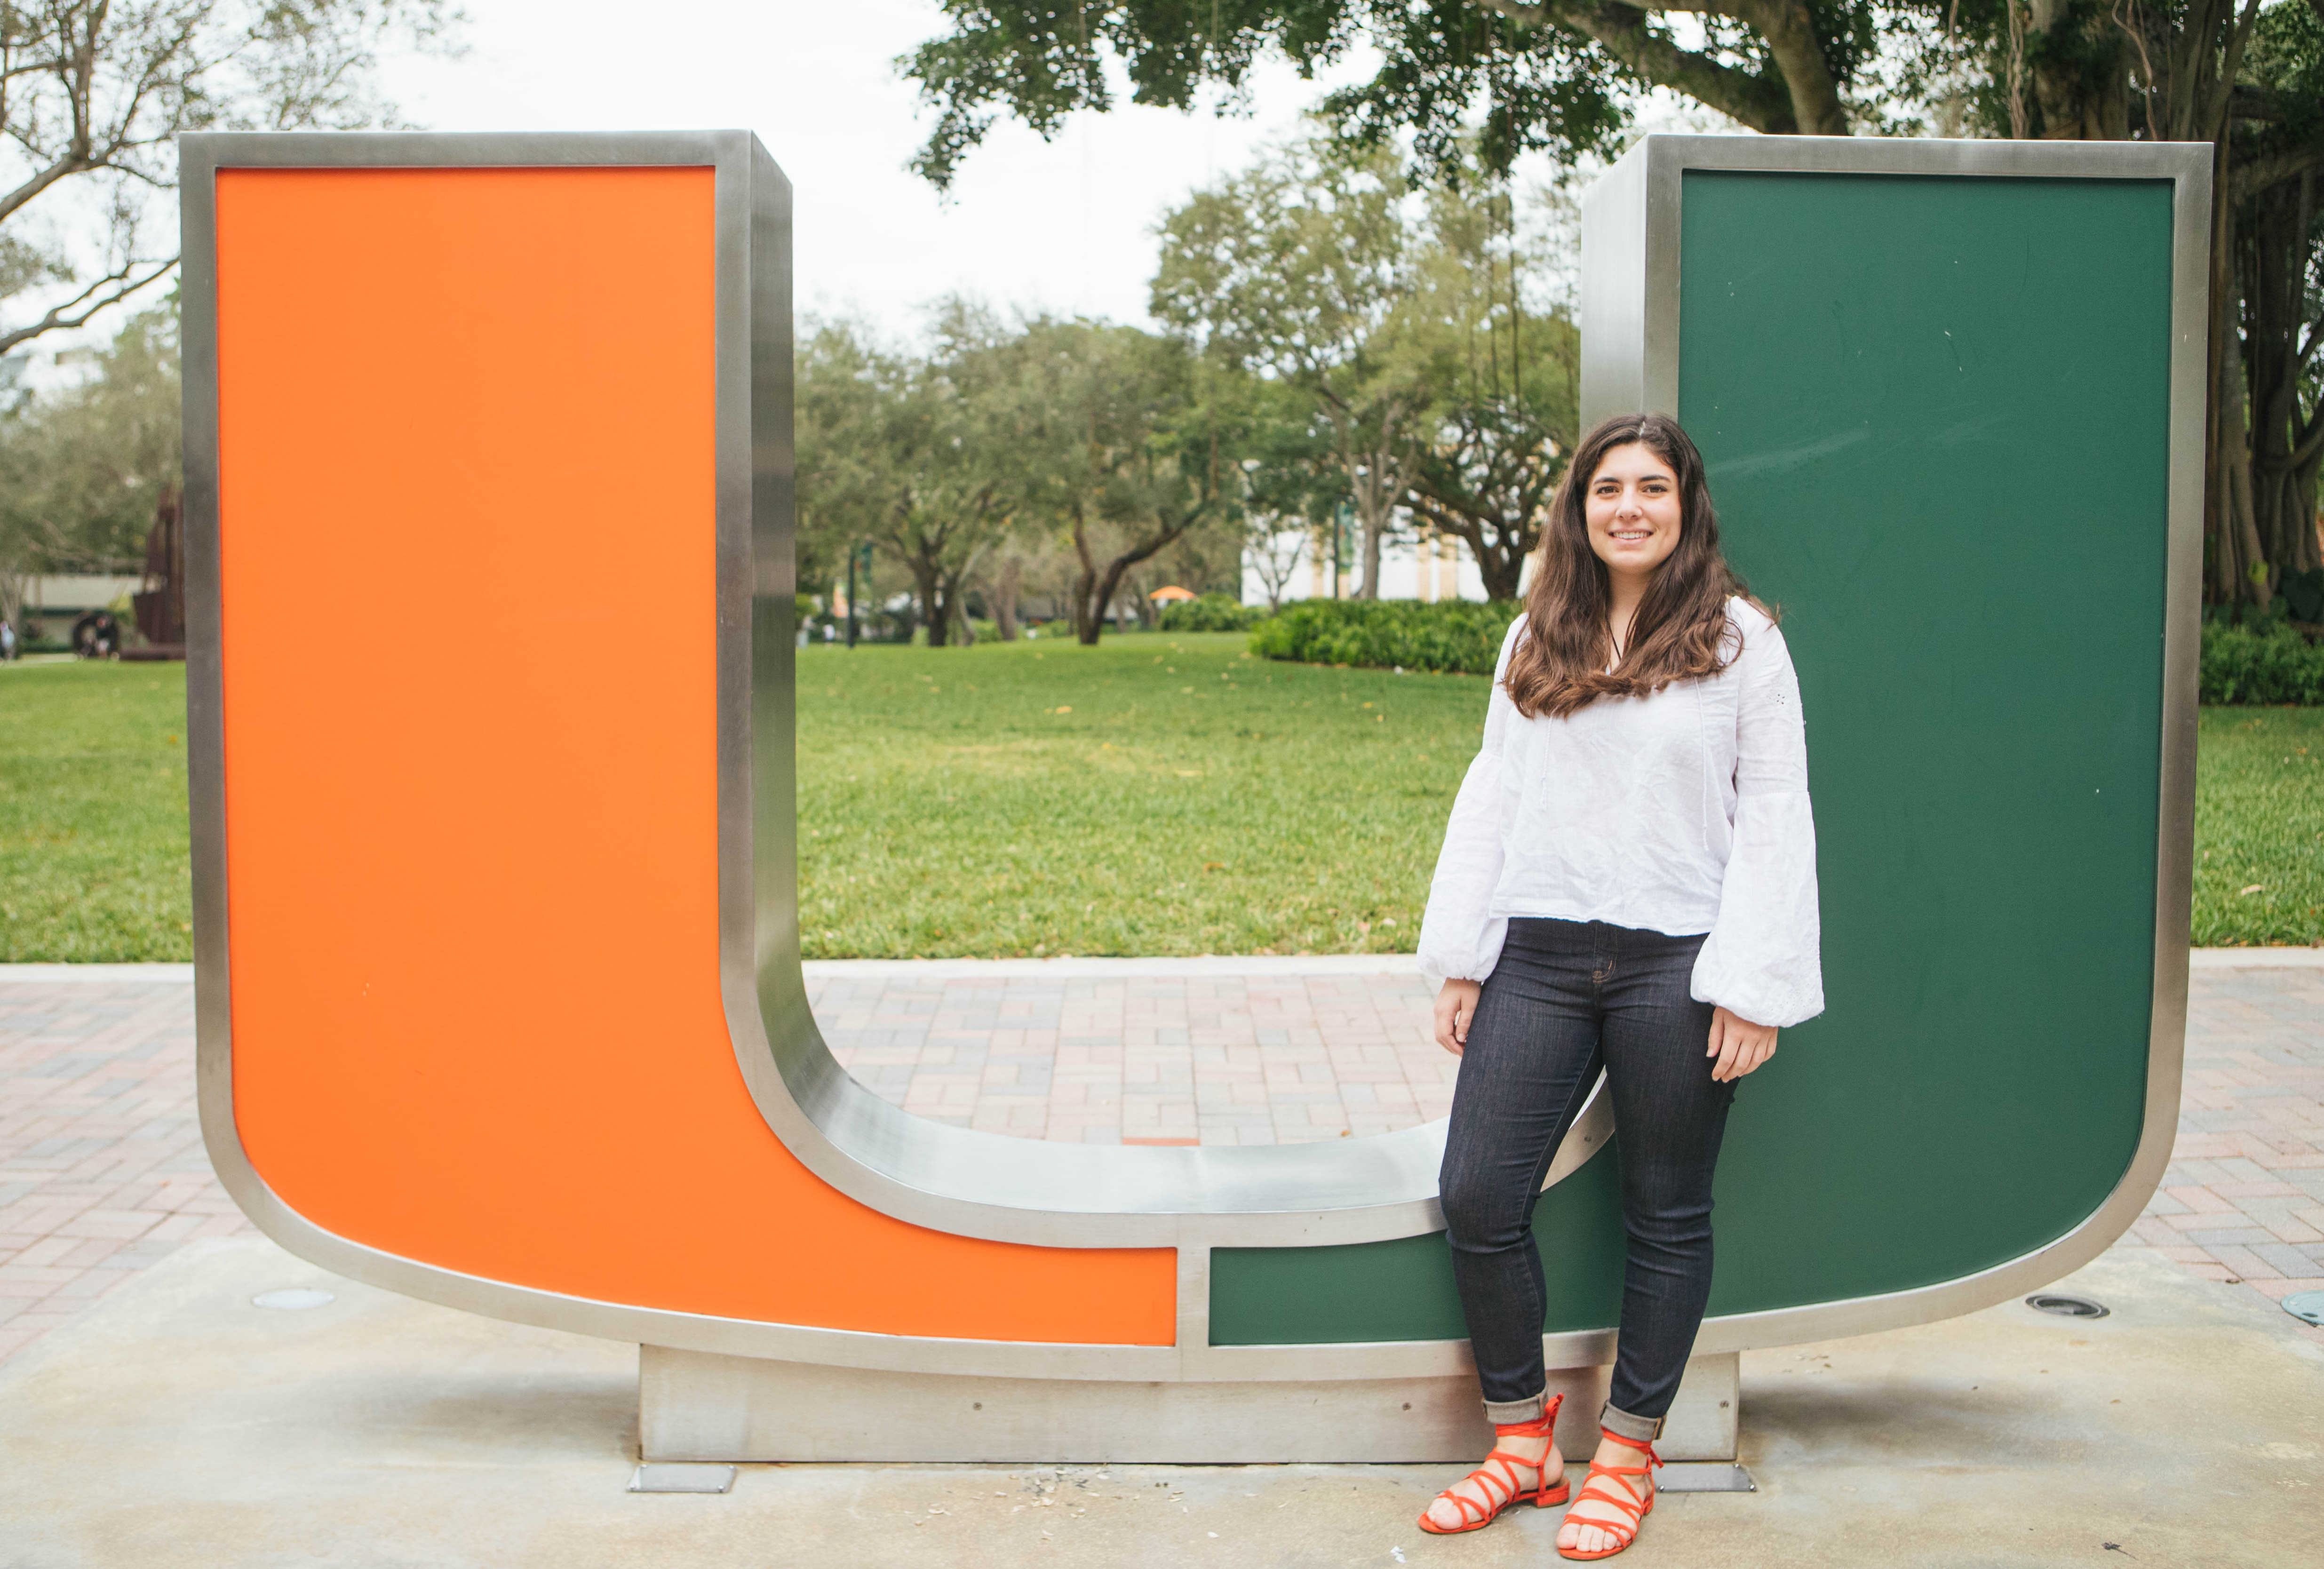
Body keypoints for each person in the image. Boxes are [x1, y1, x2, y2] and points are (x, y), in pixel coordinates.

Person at [1413, 412, 1823, 1559]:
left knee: (1666, 1213)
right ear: (1577, 507)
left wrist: (1753, 983)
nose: (1628, 507)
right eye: (1607, 489)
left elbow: (1776, 813)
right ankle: (1521, 1440)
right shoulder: (1535, 630)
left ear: (1686, 505)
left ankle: (1630, 1449)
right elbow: (1495, 793)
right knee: (1480, 1196)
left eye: (1651, 487)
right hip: (1538, 954)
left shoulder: (1741, 641)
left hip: (1679, 964)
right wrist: (1464, 956)